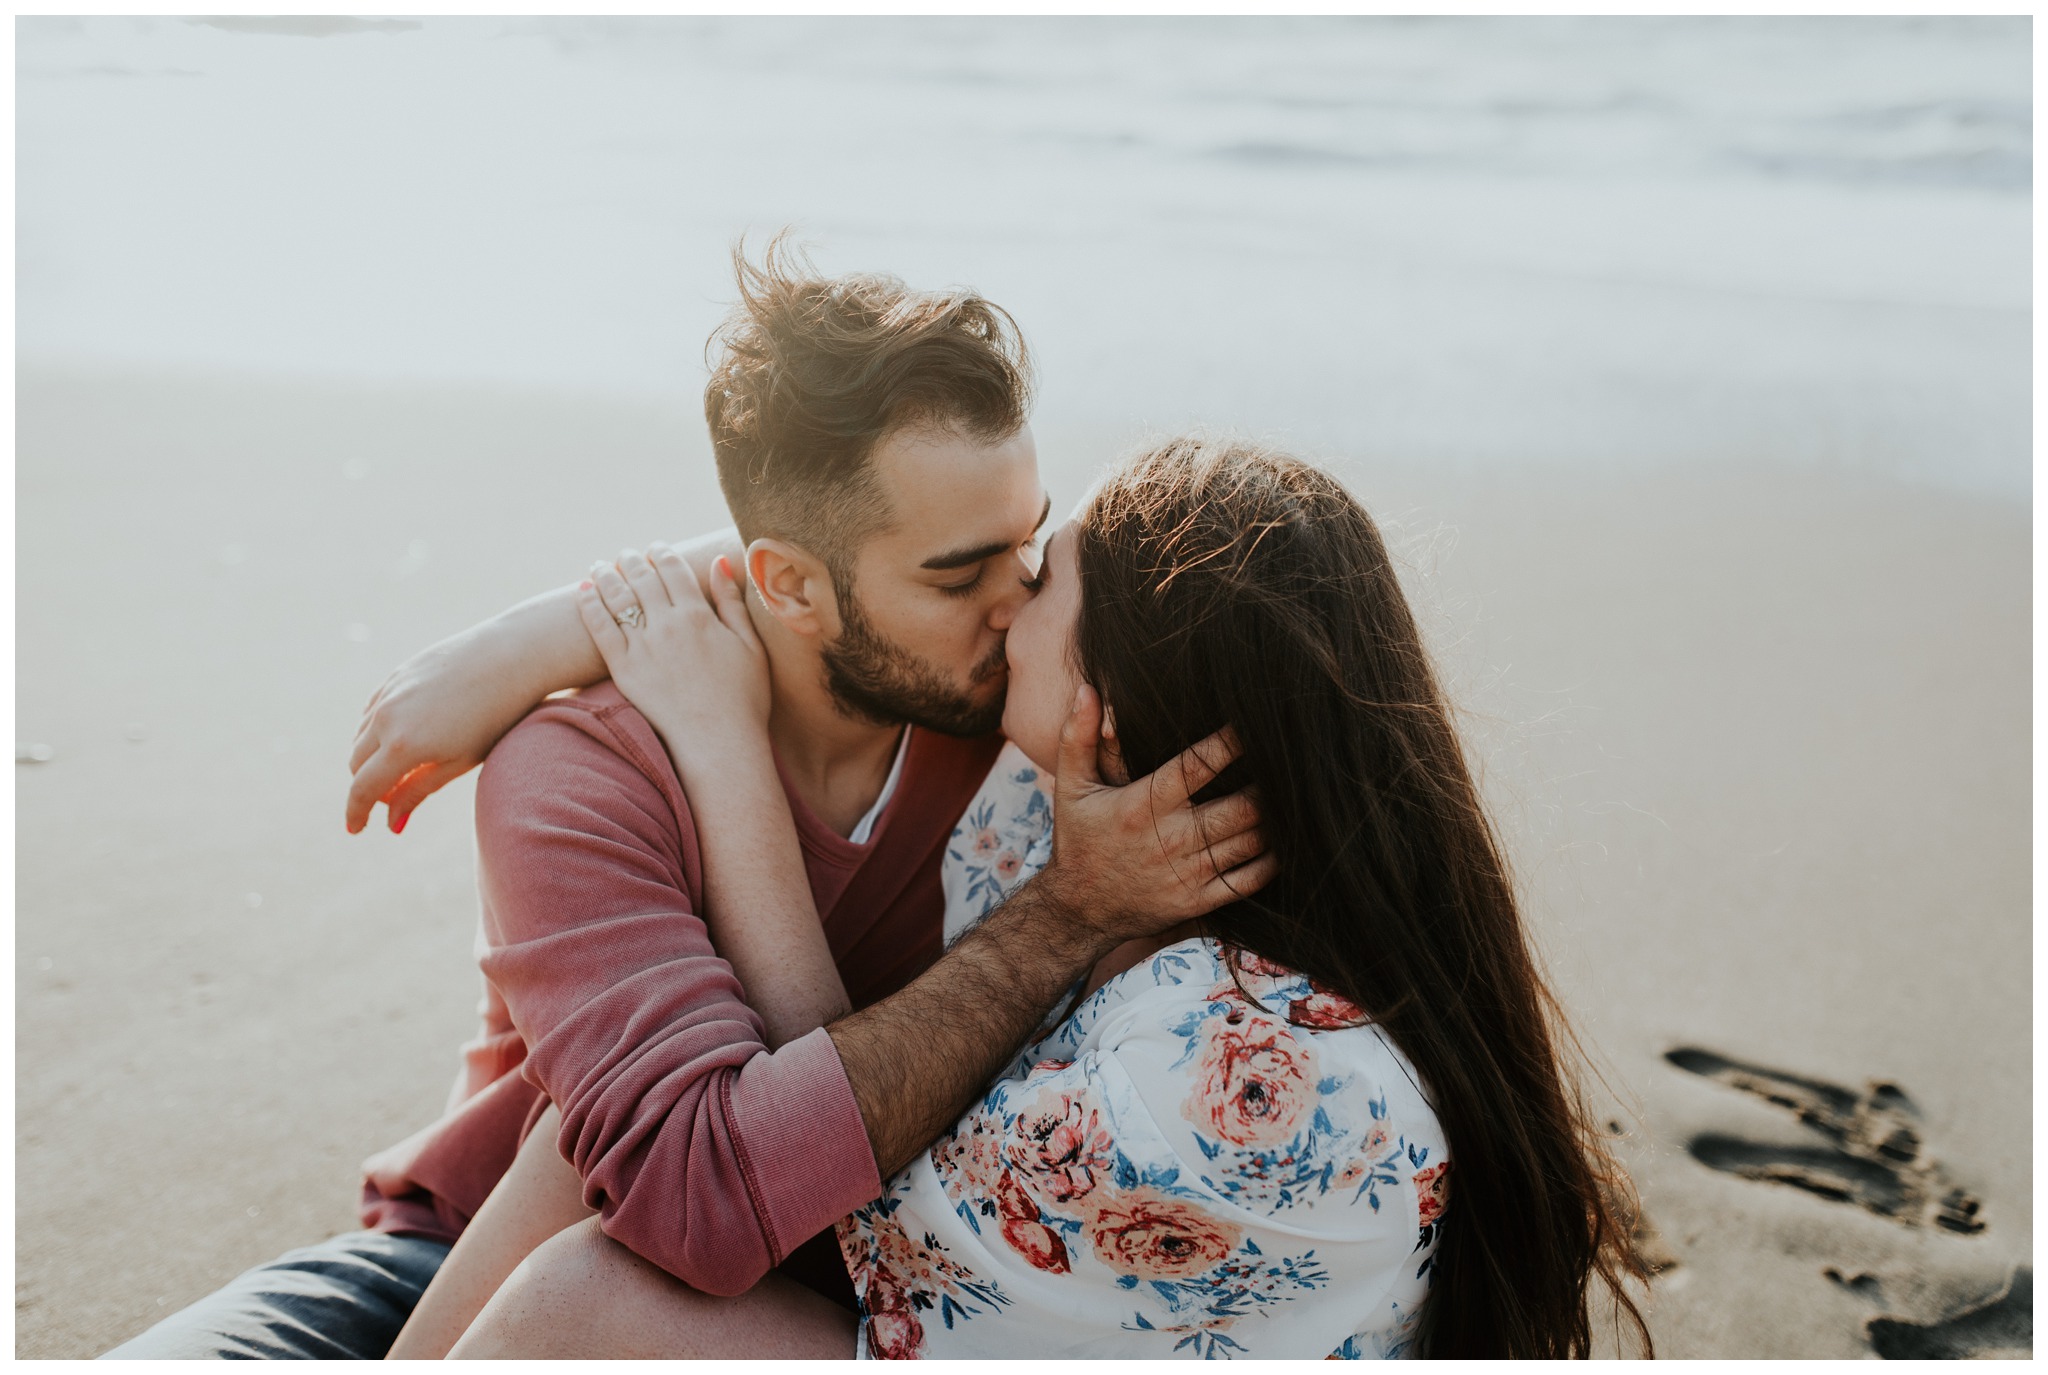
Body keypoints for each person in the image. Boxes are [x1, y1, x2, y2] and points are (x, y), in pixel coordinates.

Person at [102, 242, 1266, 1360]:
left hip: (849, 1291)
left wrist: (539, 624)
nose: (1018, 600)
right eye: (958, 575)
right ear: (787, 584)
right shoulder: (578, 769)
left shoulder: (1023, 707)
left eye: (1025, 541)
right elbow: (694, 1193)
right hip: (471, 1253)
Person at [429, 438, 1656, 1358]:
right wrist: (532, 635)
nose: (1006, 602)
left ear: (1103, 712)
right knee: (603, 1155)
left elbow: (795, 1189)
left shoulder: (1234, 1074)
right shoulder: (1119, 841)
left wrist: (718, 740)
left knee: (581, 1283)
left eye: (1040, 582)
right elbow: (862, 527)